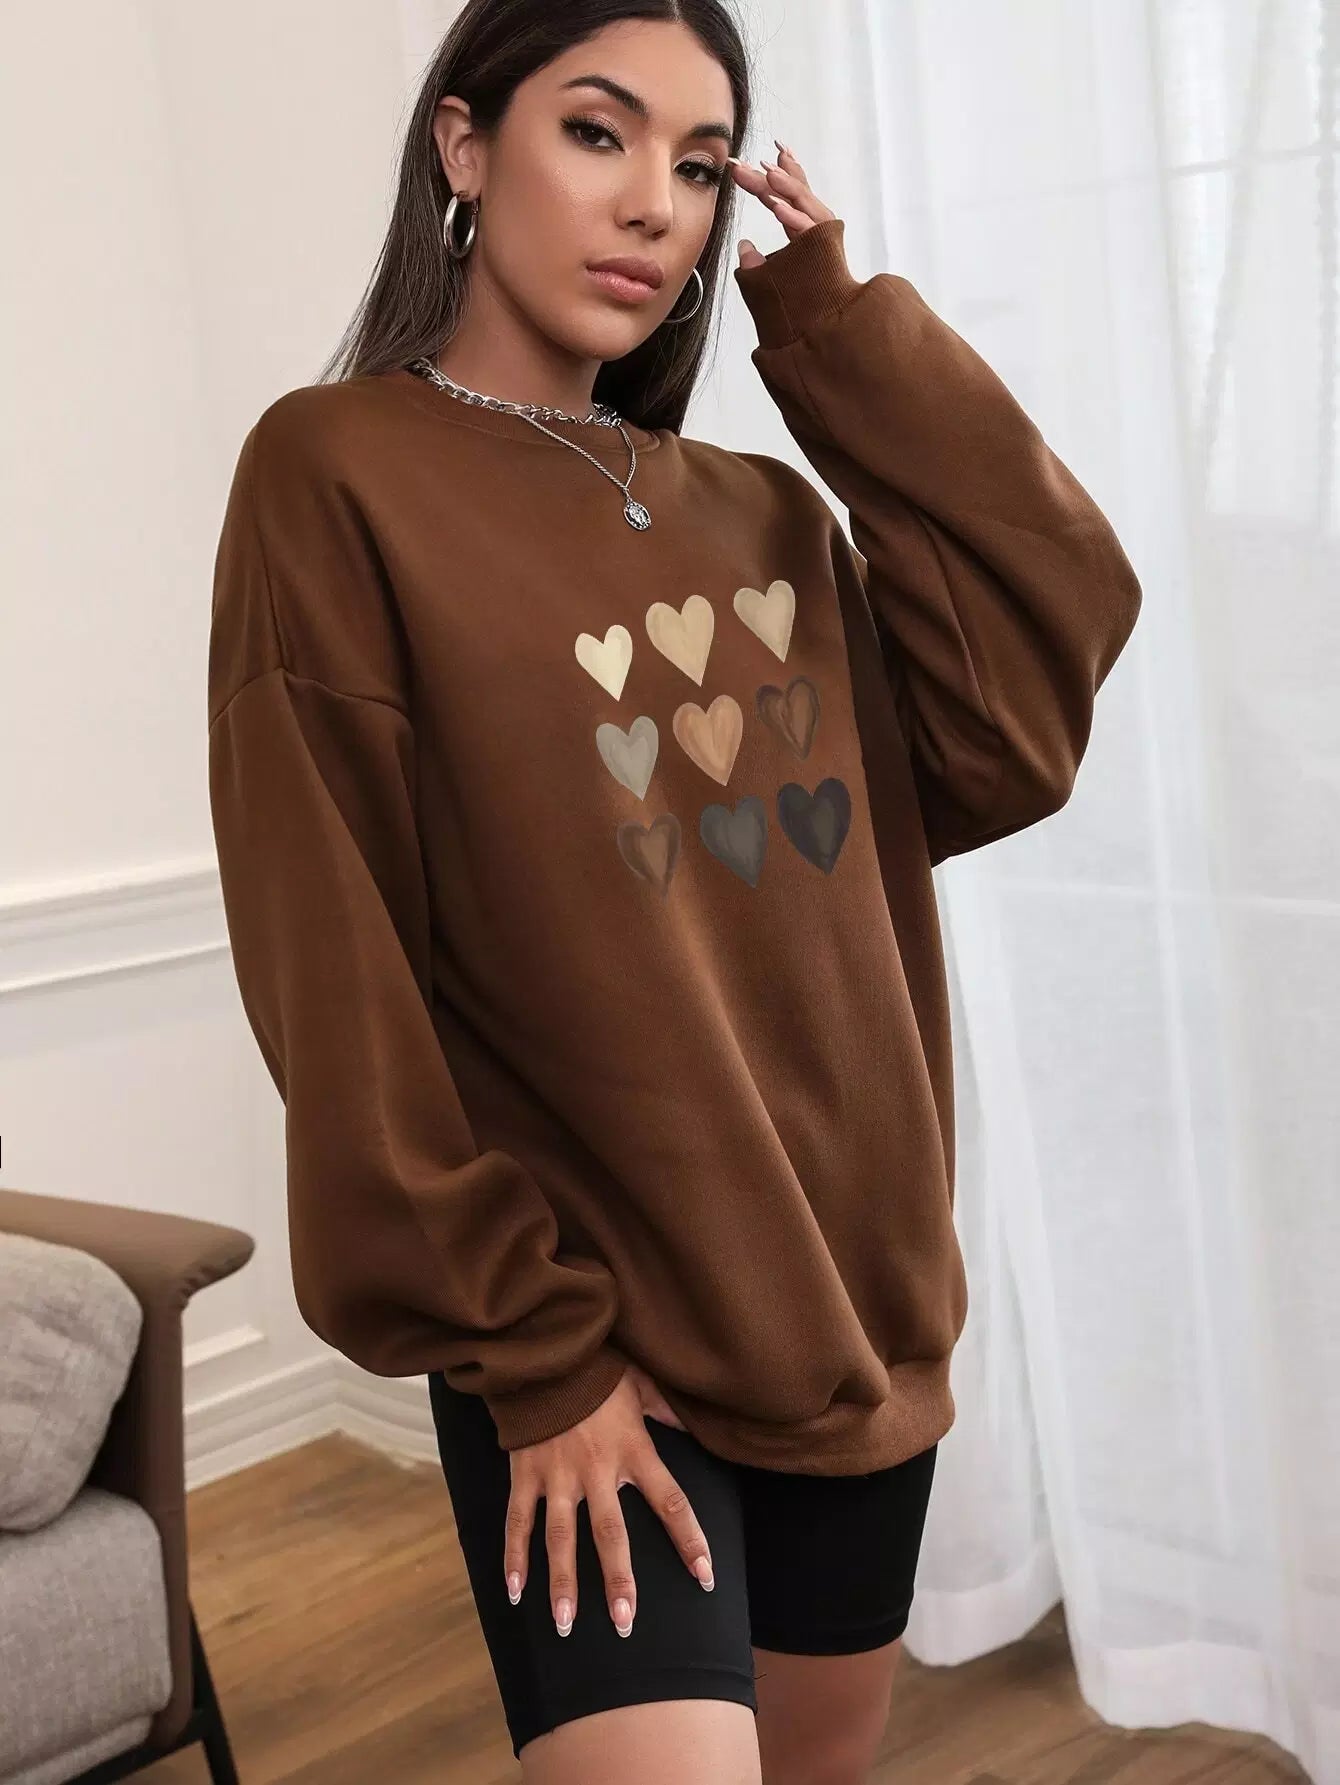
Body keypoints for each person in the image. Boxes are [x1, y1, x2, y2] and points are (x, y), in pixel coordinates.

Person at [206, 2, 1142, 1779]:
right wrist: (533, 1354)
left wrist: (845, 335)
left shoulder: (766, 515)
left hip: (850, 1309)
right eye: (598, 131)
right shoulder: (335, 473)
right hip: (586, 1334)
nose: (657, 201)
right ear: (463, 146)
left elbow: (1023, 697)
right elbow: (337, 963)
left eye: (702, 165)